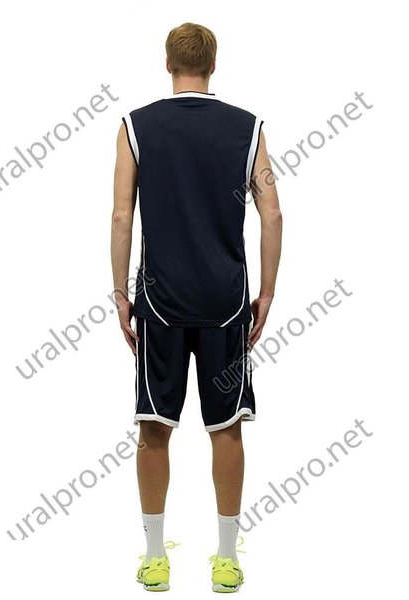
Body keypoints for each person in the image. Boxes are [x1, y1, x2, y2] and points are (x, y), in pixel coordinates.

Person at [110, 22, 282, 593]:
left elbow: (121, 216)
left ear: (168, 65)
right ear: (213, 65)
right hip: (226, 302)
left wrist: (120, 294)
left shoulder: (135, 126)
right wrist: (267, 293)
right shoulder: (248, 127)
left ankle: (155, 558)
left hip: (159, 301)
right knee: (226, 427)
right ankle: (227, 560)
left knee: (154, 426)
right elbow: (273, 214)